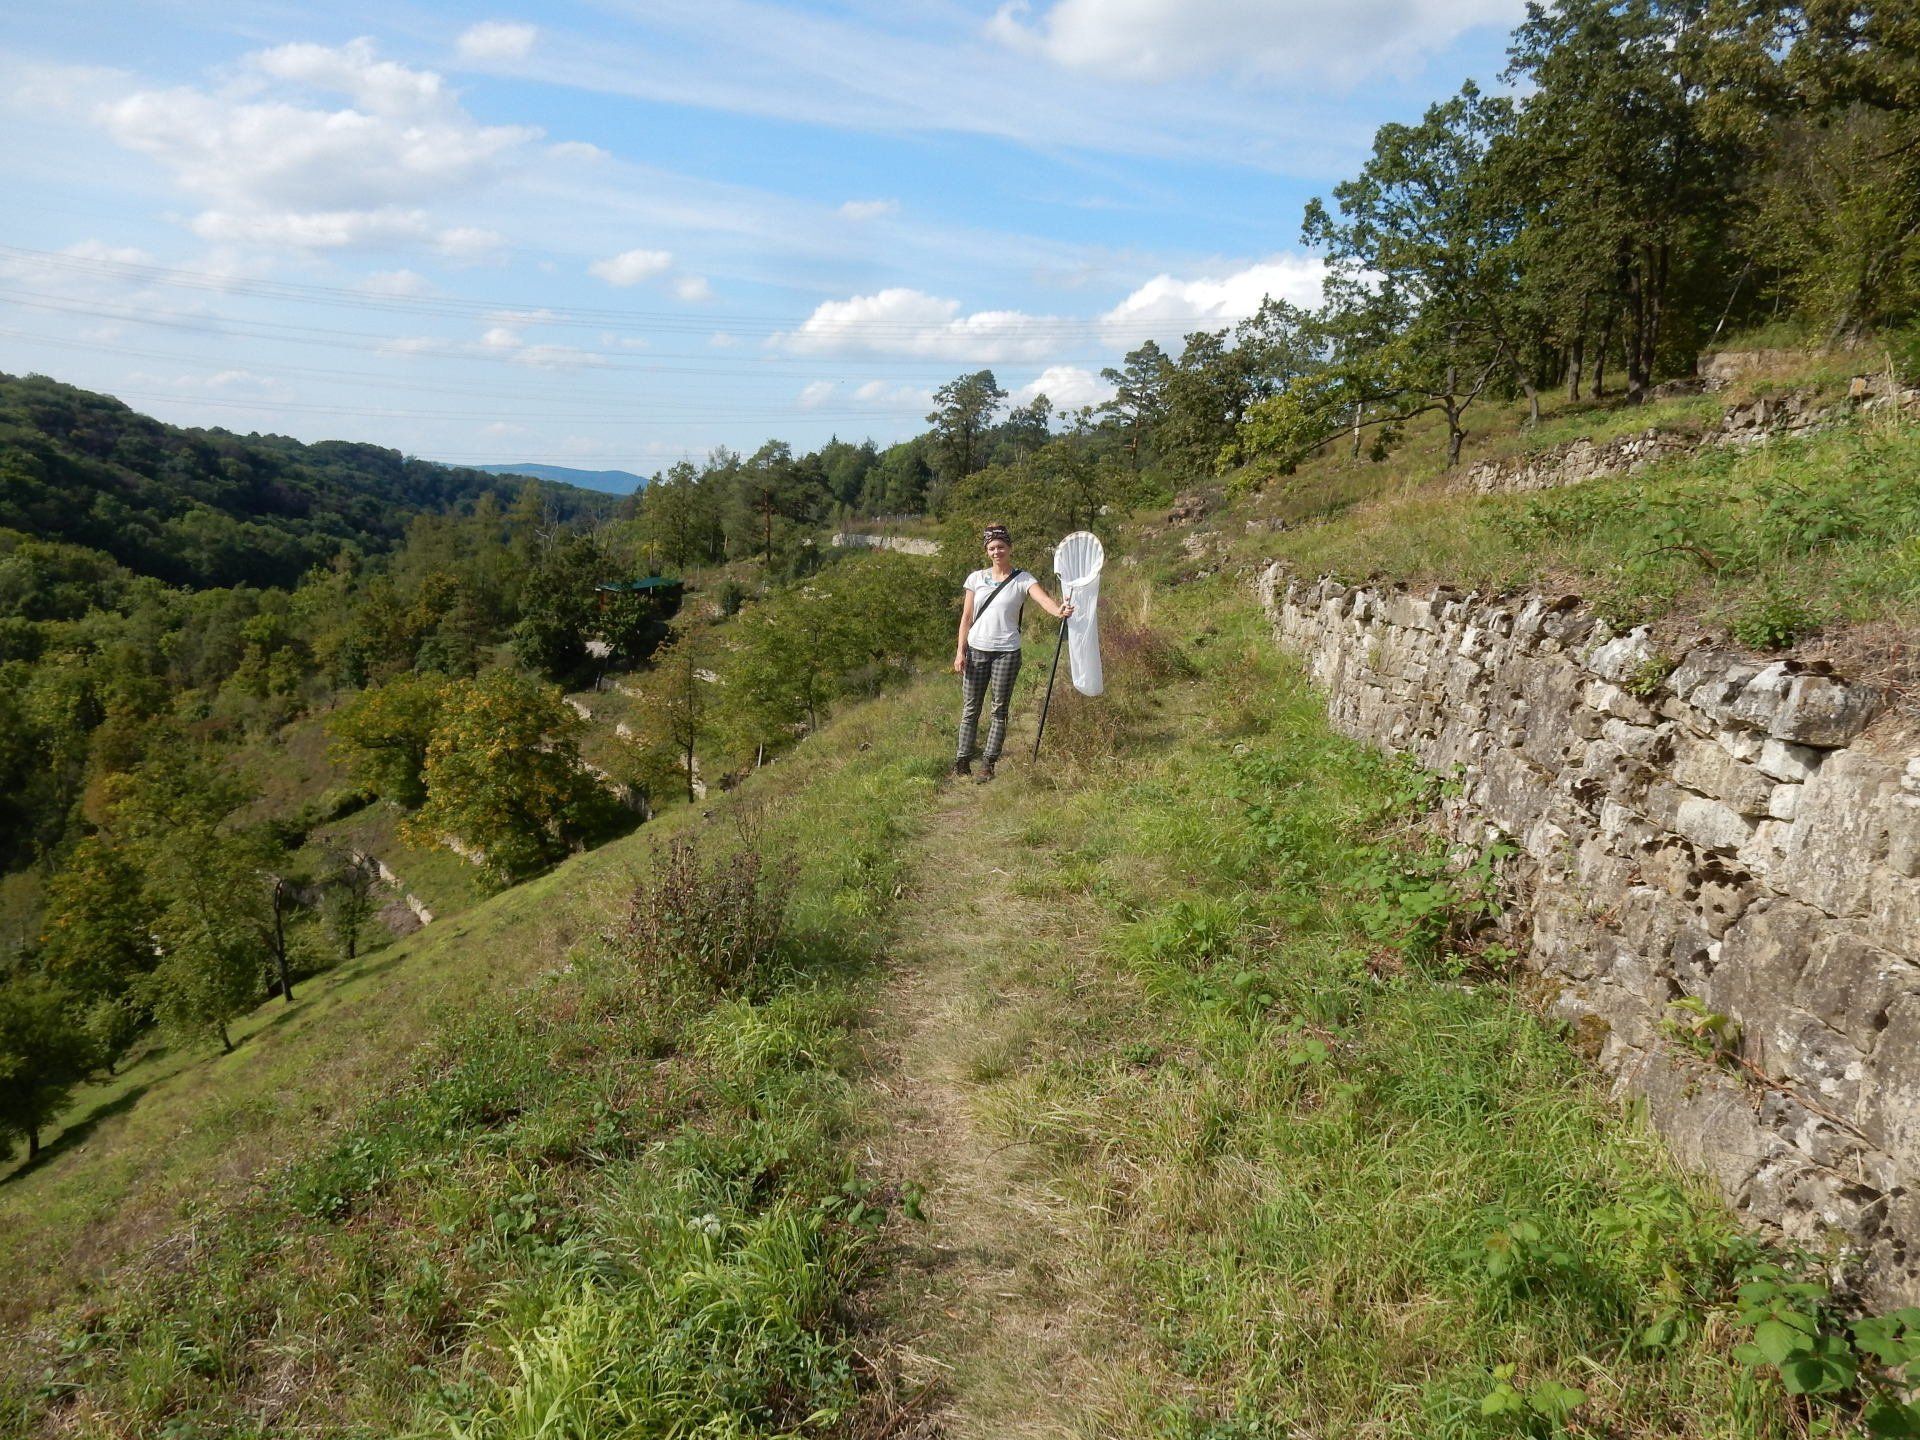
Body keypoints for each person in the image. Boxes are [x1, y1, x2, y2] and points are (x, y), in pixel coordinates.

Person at [953, 523, 1074, 782]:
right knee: (970, 708)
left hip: (1007, 652)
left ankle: (988, 763)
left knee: (999, 709)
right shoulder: (976, 578)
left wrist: (1058, 611)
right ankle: (962, 759)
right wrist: (960, 652)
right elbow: (965, 617)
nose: (997, 551)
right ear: (987, 551)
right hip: (976, 651)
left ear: (1009, 548)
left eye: (1001, 547)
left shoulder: (1023, 578)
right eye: (992, 548)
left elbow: (1042, 599)